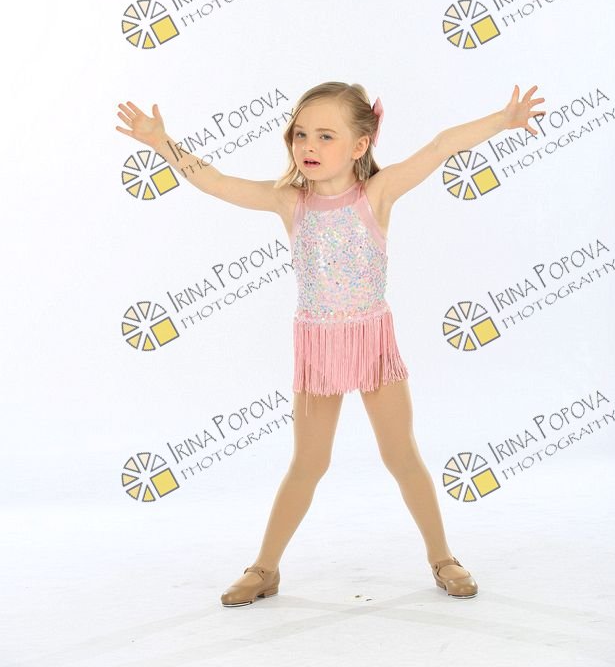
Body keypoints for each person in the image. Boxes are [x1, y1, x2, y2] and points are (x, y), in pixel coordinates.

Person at [116, 79, 545, 607]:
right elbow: (217, 182)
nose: (309, 146)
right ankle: (264, 568)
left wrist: (503, 120)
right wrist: (161, 142)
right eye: (301, 135)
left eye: (325, 136)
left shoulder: (376, 195)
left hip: (372, 344)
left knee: (401, 455)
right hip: (318, 350)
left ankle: (442, 557)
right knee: (308, 463)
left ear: (360, 144)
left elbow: (440, 146)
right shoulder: (288, 202)